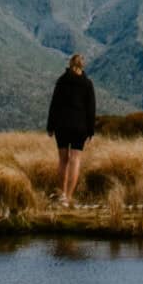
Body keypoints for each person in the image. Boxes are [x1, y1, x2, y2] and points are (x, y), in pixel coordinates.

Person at [46, 53, 97, 206]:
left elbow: (54, 105)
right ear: (83, 65)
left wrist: (50, 126)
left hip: (62, 125)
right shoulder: (87, 83)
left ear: (69, 64)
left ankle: (61, 196)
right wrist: (91, 130)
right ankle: (68, 197)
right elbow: (91, 109)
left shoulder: (61, 81)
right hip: (79, 127)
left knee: (63, 161)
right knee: (75, 160)